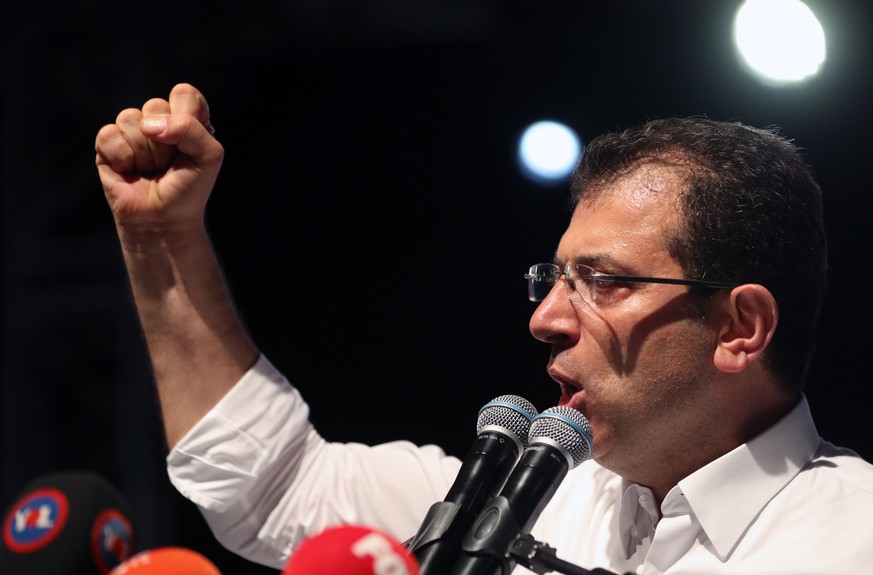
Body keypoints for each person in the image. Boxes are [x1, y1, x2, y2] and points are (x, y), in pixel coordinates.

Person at [95, 83, 873, 574]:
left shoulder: (851, 540)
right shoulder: (515, 496)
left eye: (603, 282)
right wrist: (161, 239)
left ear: (740, 327)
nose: (545, 318)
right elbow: (271, 488)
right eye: (555, 278)